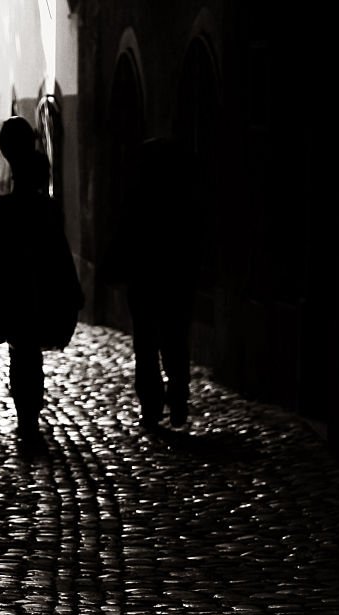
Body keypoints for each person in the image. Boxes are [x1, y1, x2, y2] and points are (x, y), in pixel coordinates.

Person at [0, 117, 83, 447]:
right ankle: (30, 418)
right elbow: (59, 250)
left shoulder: (2, 207)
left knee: (20, 354)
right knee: (31, 356)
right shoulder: (47, 207)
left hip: (14, 290)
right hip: (39, 288)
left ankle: (25, 417)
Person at [108, 138, 199, 430]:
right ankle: (178, 401)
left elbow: (124, 236)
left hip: (145, 282)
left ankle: (151, 405)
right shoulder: (183, 200)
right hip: (175, 281)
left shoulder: (138, 196)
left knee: (147, 345)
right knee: (175, 341)